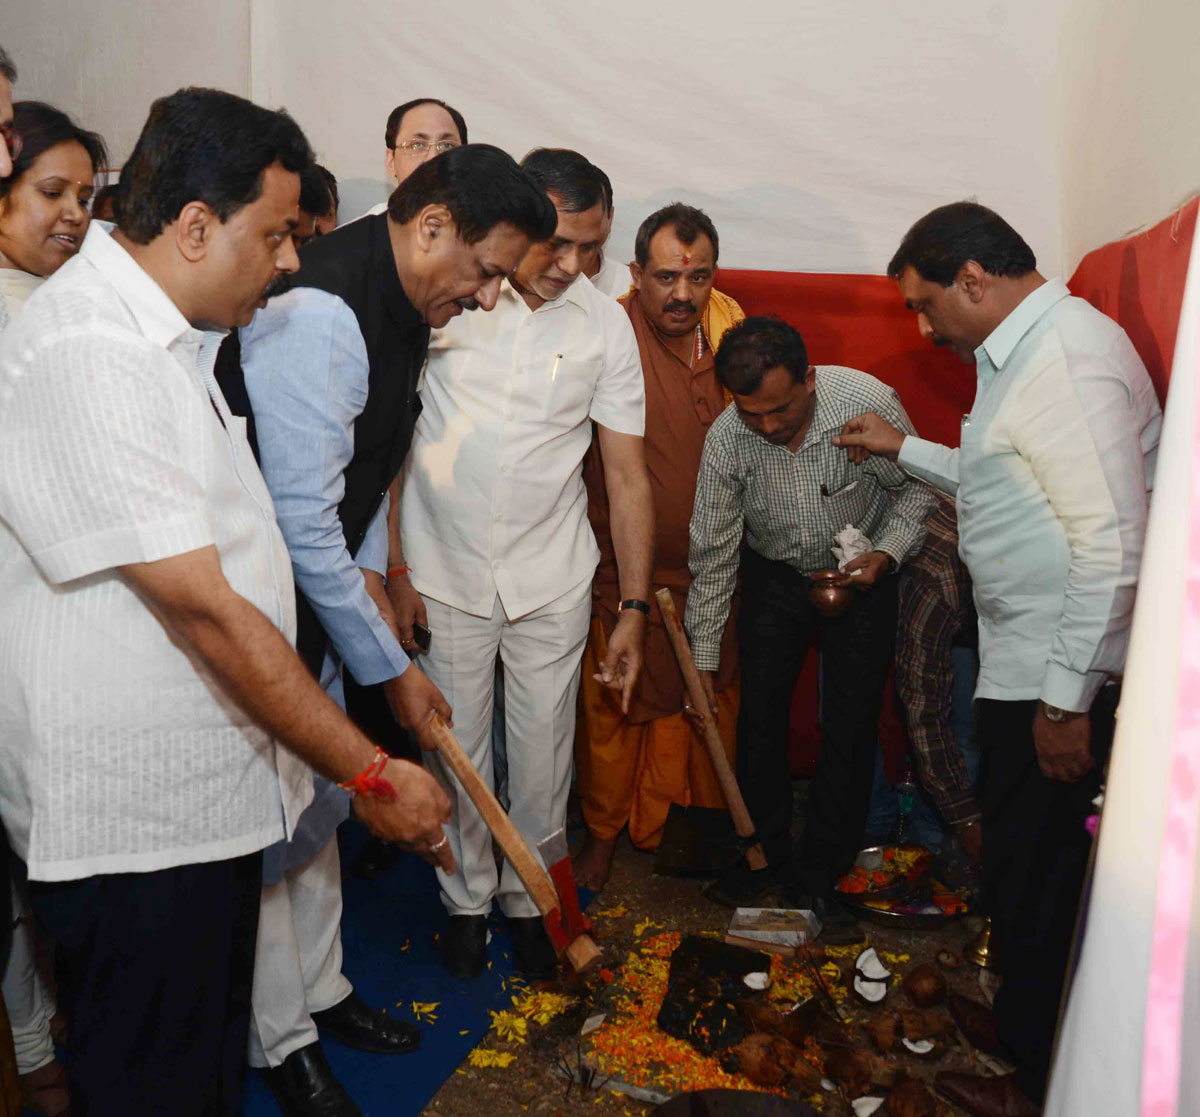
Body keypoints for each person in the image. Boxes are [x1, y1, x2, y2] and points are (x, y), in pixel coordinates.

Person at [0, 86, 457, 1117]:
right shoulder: (92, 348)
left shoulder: (168, 331)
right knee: (152, 1084)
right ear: (197, 226)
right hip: (131, 824)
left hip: (188, 806)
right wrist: (374, 771)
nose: (293, 259)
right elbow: (203, 610)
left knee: (197, 1076)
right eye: (278, 235)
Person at [217, 143, 555, 1117]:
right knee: (279, 826)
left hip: (321, 597)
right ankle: (279, 1038)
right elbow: (301, 517)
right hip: (263, 607)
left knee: (321, 809)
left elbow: (365, 471)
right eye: (488, 270)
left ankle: (321, 993)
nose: (489, 297)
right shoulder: (322, 308)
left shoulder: (410, 302)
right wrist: (392, 668)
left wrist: (373, 579)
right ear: (434, 224)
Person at [833, 201, 1161, 1116]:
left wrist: (1066, 702)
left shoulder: (1068, 360)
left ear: (974, 278)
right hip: (1027, 657)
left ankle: (1039, 1077)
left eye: (926, 305)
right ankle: (1019, 1019)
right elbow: (1004, 470)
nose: (923, 326)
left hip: (1062, 675)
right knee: (1017, 864)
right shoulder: (1016, 353)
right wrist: (910, 449)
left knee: (1046, 877)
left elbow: (1114, 544)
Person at [399, 147, 653, 979]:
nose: (573, 265)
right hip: (444, 565)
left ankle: (532, 901)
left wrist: (636, 608)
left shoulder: (604, 323)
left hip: (552, 571)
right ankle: (465, 902)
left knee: (544, 752)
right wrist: (393, 566)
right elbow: (389, 443)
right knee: (458, 744)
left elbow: (624, 471)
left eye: (593, 247)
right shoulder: (451, 295)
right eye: (557, 244)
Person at [685, 316, 934, 926]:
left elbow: (919, 491)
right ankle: (762, 855)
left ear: (810, 379)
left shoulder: (864, 404)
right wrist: (703, 662)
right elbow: (713, 553)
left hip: (862, 569)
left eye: (782, 411)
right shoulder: (727, 439)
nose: (768, 427)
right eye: (752, 414)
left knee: (848, 722)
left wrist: (887, 554)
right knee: (760, 716)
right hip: (773, 577)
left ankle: (823, 870)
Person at [575, 202, 745, 890]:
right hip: (626, 563)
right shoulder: (604, 331)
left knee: (711, 700)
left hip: (718, 567)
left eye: (698, 276)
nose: (683, 294)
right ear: (637, 271)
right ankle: (604, 835)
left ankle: (692, 833)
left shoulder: (734, 330)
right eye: (667, 277)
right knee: (617, 708)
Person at [0, 98, 105, 1117]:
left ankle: (62, 1023)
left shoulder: (73, 301)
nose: (74, 215)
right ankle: (36, 1046)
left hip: (59, 622)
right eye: (50, 193)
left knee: (49, 849)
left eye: (88, 196)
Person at [891, 494, 981, 858]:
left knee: (970, 725)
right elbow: (924, 710)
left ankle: (949, 847)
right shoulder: (941, 580)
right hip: (893, 586)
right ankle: (922, 848)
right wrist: (969, 821)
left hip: (970, 614)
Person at [361, 97, 467, 221]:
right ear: (391, 162)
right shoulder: (354, 237)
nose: (433, 158)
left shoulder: (490, 234)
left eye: (447, 145)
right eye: (417, 145)